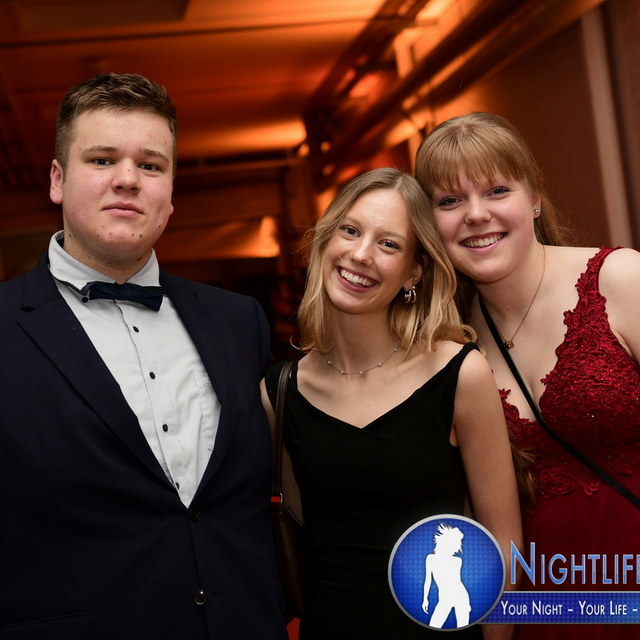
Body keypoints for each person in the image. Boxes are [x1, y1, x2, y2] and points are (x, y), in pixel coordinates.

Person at [0, 73, 287, 640]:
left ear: (171, 192)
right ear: (57, 179)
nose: (128, 179)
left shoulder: (238, 320)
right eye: (102, 160)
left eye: (151, 165)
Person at [260, 167, 522, 639]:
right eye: (350, 231)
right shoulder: (280, 393)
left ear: (413, 273)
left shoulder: (459, 374)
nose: (361, 254)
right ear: (325, 241)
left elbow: (501, 543)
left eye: (388, 244)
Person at [415, 111, 640, 640]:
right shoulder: (448, 345)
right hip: (544, 609)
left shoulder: (621, 278)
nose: (476, 215)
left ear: (534, 198)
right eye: (450, 201)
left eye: (497, 190)